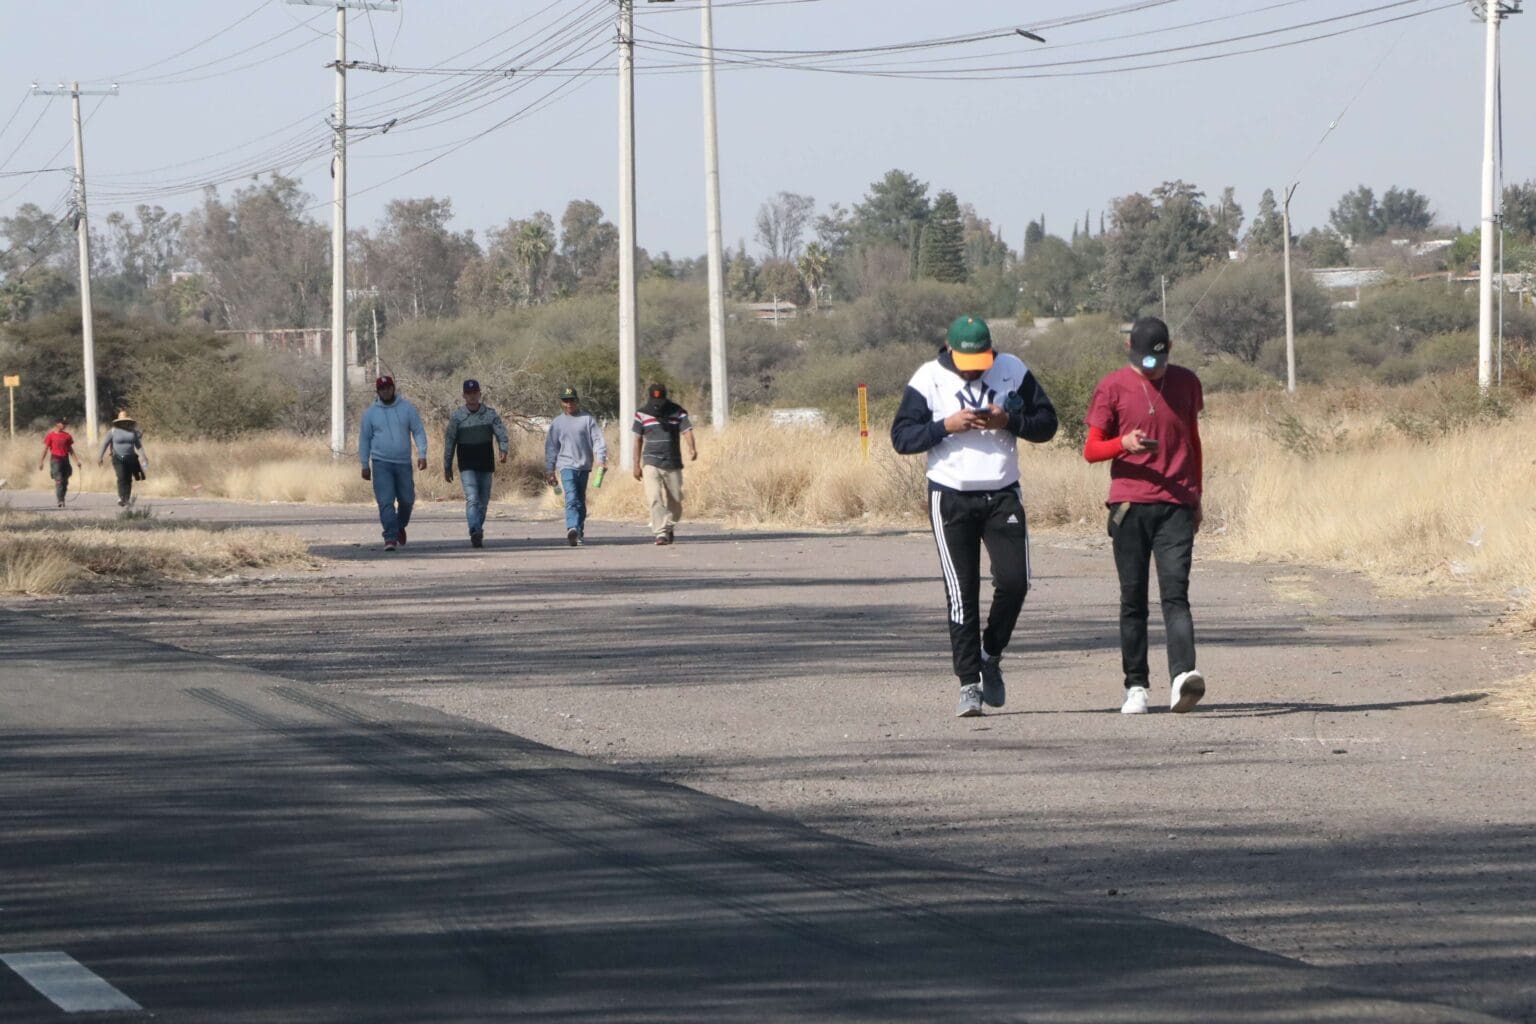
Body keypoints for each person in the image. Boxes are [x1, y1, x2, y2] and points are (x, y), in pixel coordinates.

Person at [891, 315, 1058, 718]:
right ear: (949, 347)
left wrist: (1009, 421)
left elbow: (1047, 424)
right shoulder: (928, 378)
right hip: (950, 496)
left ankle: (990, 654)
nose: (975, 369)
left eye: (982, 360)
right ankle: (969, 684)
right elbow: (901, 437)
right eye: (968, 361)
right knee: (962, 594)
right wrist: (945, 426)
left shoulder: (1013, 369)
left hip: (1002, 493)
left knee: (1016, 582)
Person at [1082, 316, 1206, 716]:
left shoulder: (1187, 382)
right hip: (1129, 506)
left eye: (1161, 361)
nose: (1154, 370)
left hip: (1176, 506)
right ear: (1129, 351)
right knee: (1133, 600)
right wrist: (1124, 443)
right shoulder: (1112, 386)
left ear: (1169, 349)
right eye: (1146, 363)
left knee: (1176, 595)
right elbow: (1091, 449)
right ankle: (1136, 686)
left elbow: (1193, 439)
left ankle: (1183, 679)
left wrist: (1196, 495)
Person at [358, 375, 428, 553]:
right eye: (382, 389)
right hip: (381, 463)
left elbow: (418, 430)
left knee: (407, 500)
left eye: (388, 388)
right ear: (377, 391)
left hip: (403, 462)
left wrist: (422, 453)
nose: (386, 391)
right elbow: (364, 440)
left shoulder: (407, 409)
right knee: (385, 501)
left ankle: (399, 525)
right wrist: (364, 464)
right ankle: (390, 536)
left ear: (393, 388)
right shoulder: (371, 413)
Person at [443, 378, 511, 549]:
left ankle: (478, 528)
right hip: (467, 464)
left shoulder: (490, 414)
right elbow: (449, 442)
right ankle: (474, 530)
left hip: (486, 463)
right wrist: (447, 465)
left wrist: (503, 449)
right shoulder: (458, 417)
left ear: (480, 394)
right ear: (463, 396)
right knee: (472, 499)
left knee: (483, 500)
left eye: (475, 393)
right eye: (469, 394)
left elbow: (501, 433)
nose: (472, 396)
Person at [631, 383, 695, 546]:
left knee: (676, 500)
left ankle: (668, 526)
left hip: (672, 462)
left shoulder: (677, 412)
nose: (657, 407)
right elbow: (637, 439)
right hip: (651, 462)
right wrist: (636, 465)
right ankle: (660, 533)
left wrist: (692, 448)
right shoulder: (642, 414)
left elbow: (686, 430)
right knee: (654, 497)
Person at [544, 386, 608, 547]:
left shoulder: (587, 420)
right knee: (571, 497)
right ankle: (571, 528)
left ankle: (579, 530)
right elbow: (551, 447)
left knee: (580, 500)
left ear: (577, 401)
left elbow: (598, 441)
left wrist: (600, 460)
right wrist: (550, 470)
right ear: (561, 403)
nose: (569, 403)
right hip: (566, 466)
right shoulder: (557, 423)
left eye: (571, 400)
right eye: (565, 401)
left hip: (584, 466)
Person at [97, 411, 149, 508]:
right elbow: (105, 444)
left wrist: (143, 456)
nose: (123, 423)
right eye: (122, 421)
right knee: (121, 476)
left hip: (131, 458)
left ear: (128, 421)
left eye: (125, 421)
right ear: (118, 422)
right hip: (118, 458)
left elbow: (138, 446)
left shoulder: (133, 432)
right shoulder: (112, 431)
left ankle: (127, 499)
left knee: (128, 479)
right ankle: (121, 497)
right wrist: (100, 457)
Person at [38, 417, 82, 508]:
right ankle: (60, 500)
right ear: (57, 424)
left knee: (65, 481)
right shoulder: (50, 435)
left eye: (65, 424)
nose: (65, 425)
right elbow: (45, 449)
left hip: (65, 459)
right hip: (55, 460)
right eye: (63, 423)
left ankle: (62, 497)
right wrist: (41, 462)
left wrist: (77, 461)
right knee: (59, 480)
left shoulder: (67, 436)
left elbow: (70, 450)